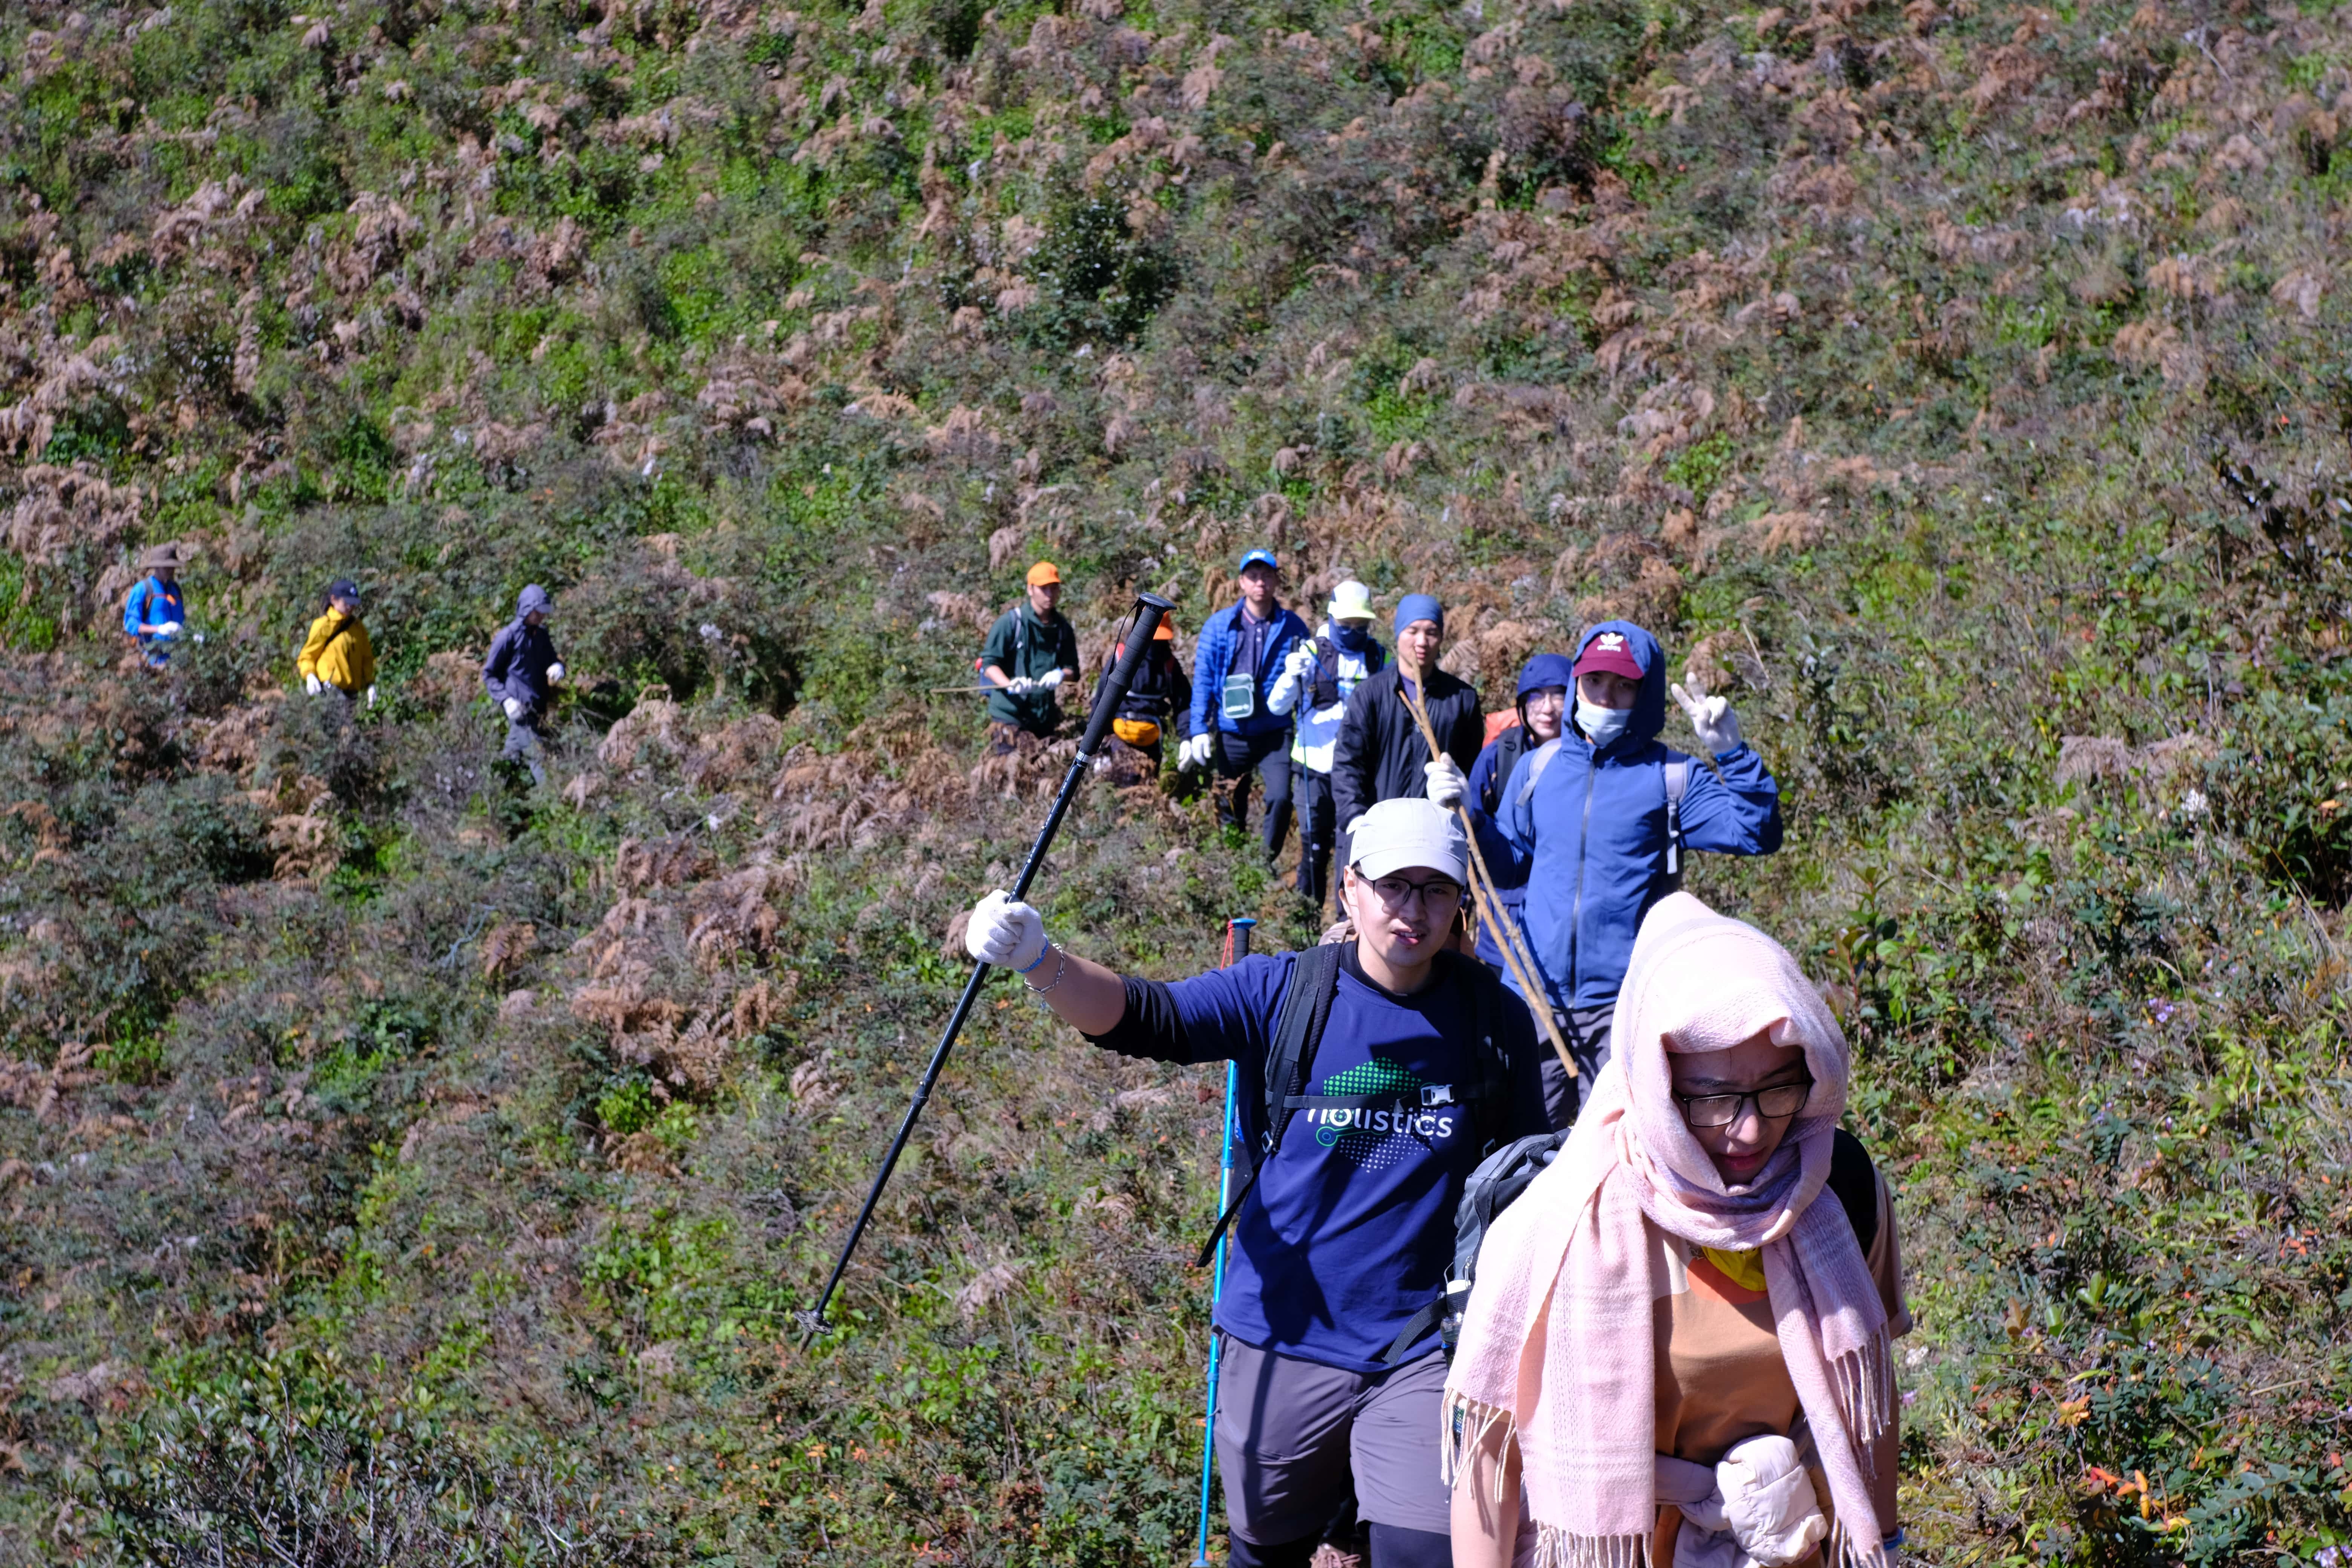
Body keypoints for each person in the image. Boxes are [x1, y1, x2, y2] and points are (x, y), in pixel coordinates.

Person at [960, 799, 1550, 1568]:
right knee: (1267, 1549)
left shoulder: (1492, 1018)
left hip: (1421, 1342)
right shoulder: (1287, 992)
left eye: (1436, 890)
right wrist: (1042, 960)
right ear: (1350, 890)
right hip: (1284, 1329)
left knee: (1423, 1553)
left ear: (1459, 903)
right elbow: (1149, 1016)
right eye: (1393, 886)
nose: (1413, 910)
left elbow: (1526, 1172)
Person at [1444, 893, 1909, 1568]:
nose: (1749, 1131)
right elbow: (1492, 1451)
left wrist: (1886, 1544)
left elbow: (1869, 1400)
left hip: (1792, 1542)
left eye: (1778, 1091)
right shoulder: (1560, 1223)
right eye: (1713, 1099)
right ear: (1653, 1084)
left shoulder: (1836, 1193)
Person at [1489, 621, 1781, 1096]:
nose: (1605, 697)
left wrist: (1733, 754)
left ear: (1644, 695)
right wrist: (1469, 821)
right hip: (1532, 998)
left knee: (1621, 1157)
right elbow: (1509, 867)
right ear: (1576, 682)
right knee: (1522, 1154)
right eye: (1595, 681)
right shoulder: (1537, 767)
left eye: (1624, 685)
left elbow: (1755, 833)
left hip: (1624, 1007)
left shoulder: (1672, 776)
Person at [1329, 594, 1481, 873]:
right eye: (1413, 631)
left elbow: (1472, 766)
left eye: (1431, 632)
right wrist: (1356, 819)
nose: (1422, 641)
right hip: (1374, 831)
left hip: (1435, 837)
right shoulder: (1371, 694)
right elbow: (1347, 763)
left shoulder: (1462, 699)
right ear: (1399, 633)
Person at [1178, 549, 1311, 862]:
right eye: (1253, 576)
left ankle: (1264, 863)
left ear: (1276, 580)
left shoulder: (1294, 626)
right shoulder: (1219, 625)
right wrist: (1198, 729)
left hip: (1275, 732)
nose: (1260, 582)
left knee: (1280, 797)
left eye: (1266, 575)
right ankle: (1234, 862)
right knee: (1229, 799)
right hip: (1231, 730)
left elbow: (1308, 683)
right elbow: (1205, 681)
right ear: (1241, 582)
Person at [1269, 580, 1387, 909]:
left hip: (1360, 772)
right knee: (1314, 846)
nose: (1352, 631)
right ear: (1332, 618)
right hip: (1314, 767)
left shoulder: (1379, 658)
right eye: (1346, 625)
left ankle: (1346, 919)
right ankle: (1306, 916)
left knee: (1354, 846)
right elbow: (1277, 706)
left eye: (1360, 625)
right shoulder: (1310, 652)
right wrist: (1289, 676)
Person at [1463, 651, 1569, 982]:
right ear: (1522, 705)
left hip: (1565, 916)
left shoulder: (1594, 761)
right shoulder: (1499, 756)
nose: (1548, 708)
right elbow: (1471, 825)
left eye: (1559, 695)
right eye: (1536, 697)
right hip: (1505, 914)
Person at [981, 561, 1081, 755]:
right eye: (1044, 589)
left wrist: (1061, 675)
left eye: (1054, 588)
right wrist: (1010, 684)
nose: (1050, 595)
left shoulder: (1063, 629)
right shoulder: (1010, 623)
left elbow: (1073, 671)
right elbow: (989, 664)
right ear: (1030, 589)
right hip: (1009, 718)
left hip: (1043, 720)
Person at [1089, 609, 1191, 782]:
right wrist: (1097, 747)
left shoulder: (1169, 664)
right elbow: (1101, 701)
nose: (1156, 644)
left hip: (1151, 742)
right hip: (1117, 739)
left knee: (1145, 788)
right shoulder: (1121, 658)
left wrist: (1188, 738)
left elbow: (1184, 704)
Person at [482, 583, 565, 784]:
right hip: (519, 709)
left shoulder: (542, 635)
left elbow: (551, 659)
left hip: (538, 707)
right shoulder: (507, 637)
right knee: (538, 758)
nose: (541, 616)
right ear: (526, 610)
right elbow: (489, 674)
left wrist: (557, 666)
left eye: (543, 612)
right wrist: (506, 701)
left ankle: (494, 793)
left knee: (511, 757)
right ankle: (553, 803)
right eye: (537, 612)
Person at [297, 578, 378, 712]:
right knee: (340, 729)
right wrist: (310, 675)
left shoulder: (358, 628)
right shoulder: (324, 625)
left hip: (352, 691)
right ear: (334, 600)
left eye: (353, 604)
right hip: (331, 689)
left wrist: (370, 684)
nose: (351, 607)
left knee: (349, 729)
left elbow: (367, 659)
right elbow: (307, 656)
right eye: (347, 603)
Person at [122, 544, 187, 669]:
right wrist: (159, 629)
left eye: (172, 567)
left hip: (178, 659)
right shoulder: (143, 589)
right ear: (157, 567)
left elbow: (182, 620)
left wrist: (190, 635)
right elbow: (130, 624)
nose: (171, 570)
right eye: (166, 567)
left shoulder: (176, 590)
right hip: (153, 660)